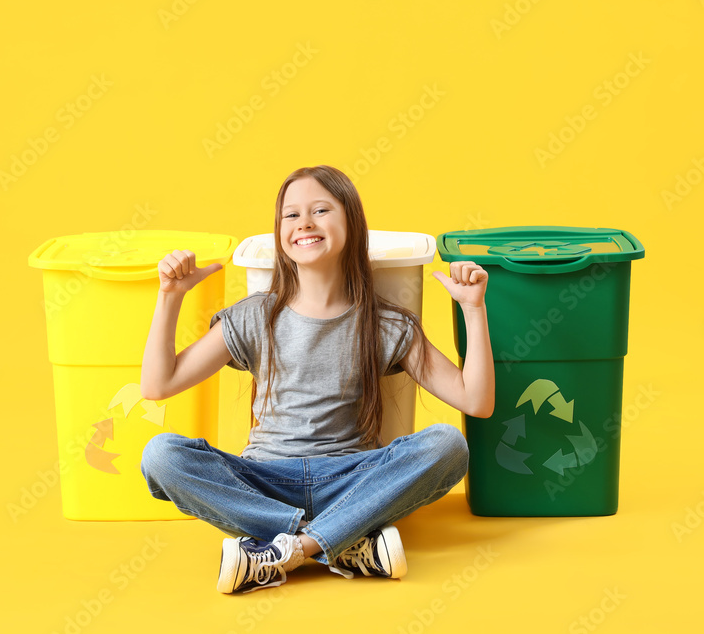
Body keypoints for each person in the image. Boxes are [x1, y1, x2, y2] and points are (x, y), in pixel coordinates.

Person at [140, 165, 494, 594]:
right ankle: (342, 542)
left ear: (352, 223)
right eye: (291, 215)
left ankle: (285, 551)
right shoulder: (254, 315)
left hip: (351, 478)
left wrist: (474, 310)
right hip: (265, 482)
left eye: (321, 209)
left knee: (447, 445)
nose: (304, 222)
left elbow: (476, 402)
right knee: (161, 455)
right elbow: (158, 385)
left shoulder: (385, 325)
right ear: (280, 232)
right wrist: (169, 296)